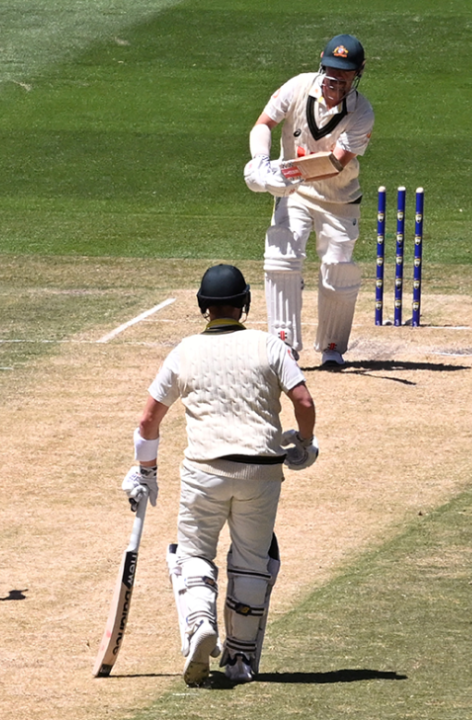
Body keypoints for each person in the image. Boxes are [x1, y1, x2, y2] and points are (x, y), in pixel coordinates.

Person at [121, 264, 317, 686]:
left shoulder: (185, 351)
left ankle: (199, 624)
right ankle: (241, 659)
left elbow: (147, 422)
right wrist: (304, 442)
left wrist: (146, 472)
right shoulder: (268, 345)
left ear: (202, 306)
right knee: (251, 562)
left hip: (205, 471)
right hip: (261, 472)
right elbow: (303, 399)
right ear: (244, 303)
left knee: (192, 555)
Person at [243, 33, 375, 366]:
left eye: (344, 73)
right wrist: (261, 162)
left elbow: (334, 163)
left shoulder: (361, 113)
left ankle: (333, 348)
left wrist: (283, 174)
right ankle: (284, 345)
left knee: (338, 268)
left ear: (358, 73)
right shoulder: (298, 86)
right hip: (296, 195)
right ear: (322, 62)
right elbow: (263, 124)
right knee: (281, 254)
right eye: (331, 69)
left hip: (339, 199)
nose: (336, 78)